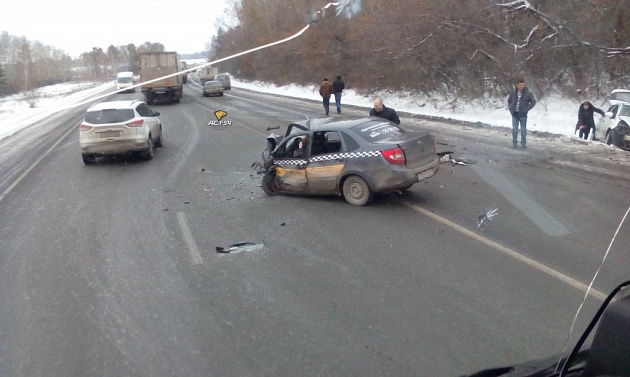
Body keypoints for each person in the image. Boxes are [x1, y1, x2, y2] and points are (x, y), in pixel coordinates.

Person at [507, 78, 536, 148]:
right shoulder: (513, 92)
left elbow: (533, 102)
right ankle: (514, 142)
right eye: (520, 85)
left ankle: (523, 143)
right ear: (517, 85)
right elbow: (509, 100)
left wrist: (527, 109)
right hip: (515, 114)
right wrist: (511, 108)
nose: (521, 86)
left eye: (522, 85)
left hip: (523, 114)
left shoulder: (528, 93)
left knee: (523, 130)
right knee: (514, 130)